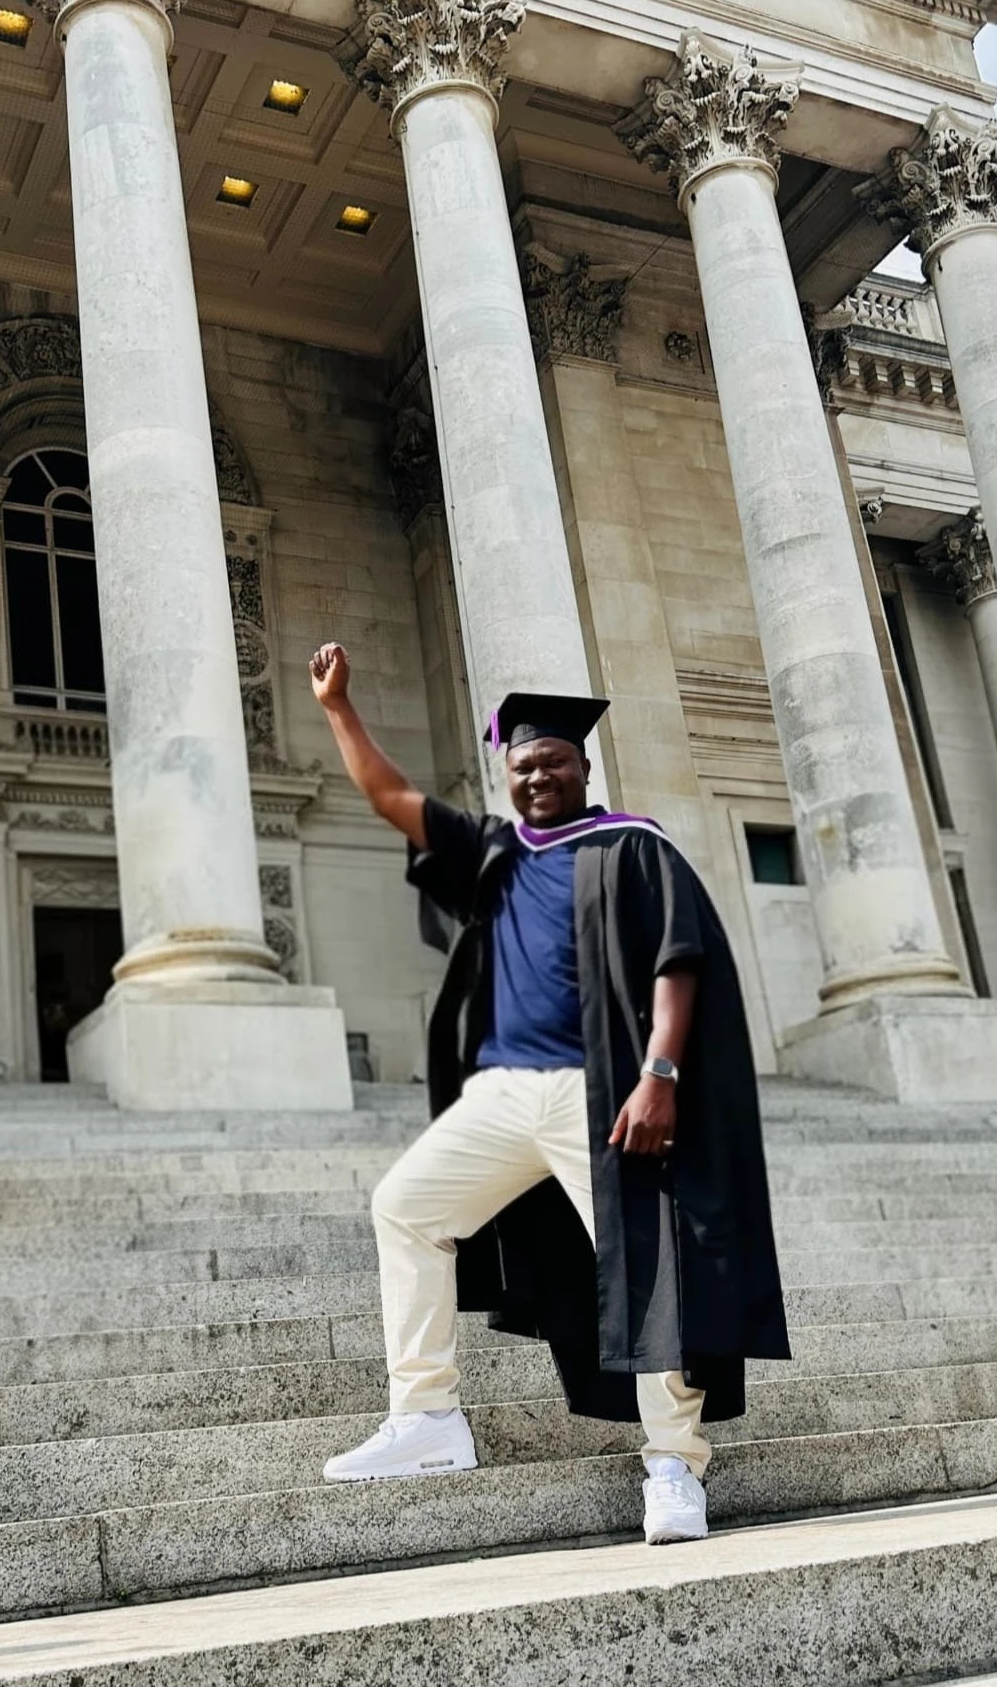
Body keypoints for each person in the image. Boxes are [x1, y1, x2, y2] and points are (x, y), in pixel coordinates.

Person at [308, 642, 791, 1544]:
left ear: (581, 765)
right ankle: (429, 1420)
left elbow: (677, 962)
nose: (537, 778)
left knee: (648, 1266)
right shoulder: (493, 853)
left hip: (600, 1090)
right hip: (501, 1095)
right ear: (507, 771)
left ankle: (674, 1464)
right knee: (405, 1206)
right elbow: (389, 798)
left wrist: (660, 1074)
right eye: (522, 766)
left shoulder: (630, 845)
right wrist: (339, 708)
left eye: (552, 763)